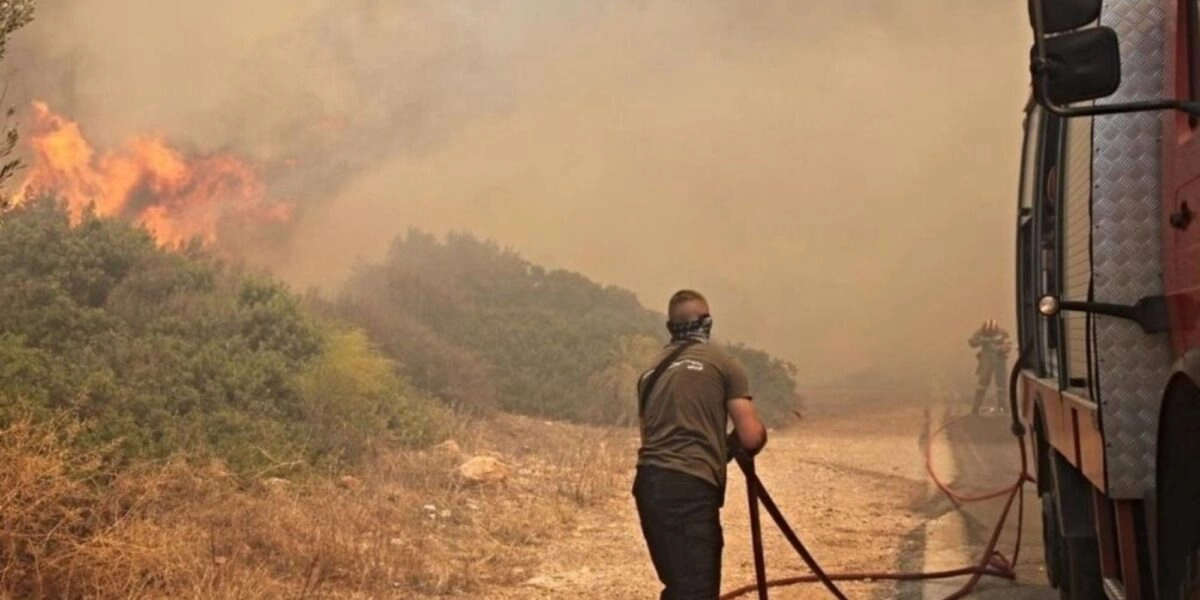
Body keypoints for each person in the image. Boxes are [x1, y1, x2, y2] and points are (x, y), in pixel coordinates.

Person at [633, 289, 767, 599]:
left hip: (649, 484)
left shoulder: (649, 373)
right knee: (696, 591)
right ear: (707, 323)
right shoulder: (723, 363)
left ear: (670, 327)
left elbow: (648, 437)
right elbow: (750, 436)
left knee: (678, 586)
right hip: (691, 487)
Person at [968, 319, 1013, 415]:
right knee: (982, 383)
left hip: (1000, 360)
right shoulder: (980, 332)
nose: (989, 335)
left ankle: (1002, 407)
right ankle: (976, 407)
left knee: (1001, 385)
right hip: (986, 359)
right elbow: (972, 343)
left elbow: (1008, 346)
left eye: (991, 333)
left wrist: (1000, 349)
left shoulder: (1002, 333)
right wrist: (979, 341)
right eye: (987, 333)